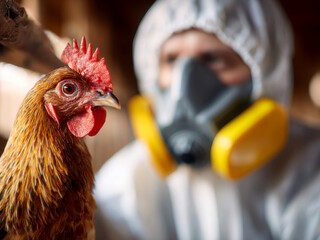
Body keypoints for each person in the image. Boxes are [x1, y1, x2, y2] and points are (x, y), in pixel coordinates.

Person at [94, 0, 320, 239]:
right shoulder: (124, 185)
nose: (184, 84)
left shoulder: (310, 168)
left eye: (214, 59)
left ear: (266, 72)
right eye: (171, 60)